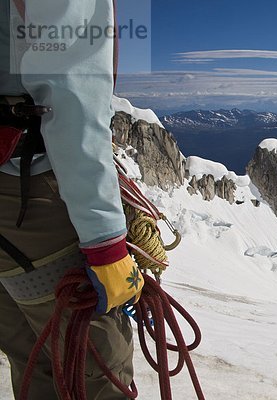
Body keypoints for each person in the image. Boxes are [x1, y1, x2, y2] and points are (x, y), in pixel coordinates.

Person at [0, 1, 143, 398]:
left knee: (32, 357)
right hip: (28, 195)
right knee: (95, 367)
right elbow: (71, 87)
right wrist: (106, 243)